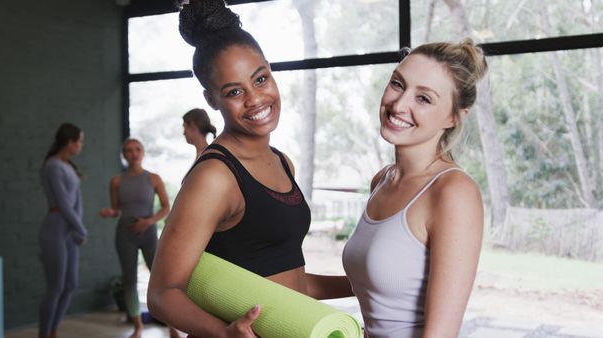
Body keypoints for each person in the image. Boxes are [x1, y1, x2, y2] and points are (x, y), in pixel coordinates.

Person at [147, 1, 351, 337]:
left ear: (270, 71)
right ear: (212, 99)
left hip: (294, 328)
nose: (255, 99)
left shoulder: (282, 162)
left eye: (260, 79)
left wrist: (362, 285)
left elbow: (291, 284)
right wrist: (224, 333)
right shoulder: (214, 176)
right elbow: (162, 293)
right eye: (234, 92)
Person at [342, 39, 487, 338]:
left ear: (454, 117)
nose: (399, 104)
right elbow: (377, 289)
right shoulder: (382, 179)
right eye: (398, 84)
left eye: (424, 98)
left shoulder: (453, 192)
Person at [98, 138, 174, 338]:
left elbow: (166, 208)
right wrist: (110, 212)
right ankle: (138, 326)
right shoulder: (116, 181)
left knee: (159, 279)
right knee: (129, 281)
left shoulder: (154, 178)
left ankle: (172, 326)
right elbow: (117, 209)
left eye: (137, 149)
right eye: (129, 150)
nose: (133, 153)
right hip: (125, 235)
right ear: (124, 155)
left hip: (148, 233)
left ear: (143, 152)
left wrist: (148, 222)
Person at [38, 122, 88, 338]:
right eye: (80, 141)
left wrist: (77, 229)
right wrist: (81, 229)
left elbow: (77, 203)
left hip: (69, 230)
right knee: (56, 286)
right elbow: (63, 204)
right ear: (70, 142)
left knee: (70, 284)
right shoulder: (52, 166)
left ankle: (54, 330)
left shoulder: (68, 167)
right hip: (56, 228)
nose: (81, 145)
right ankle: (45, 333)